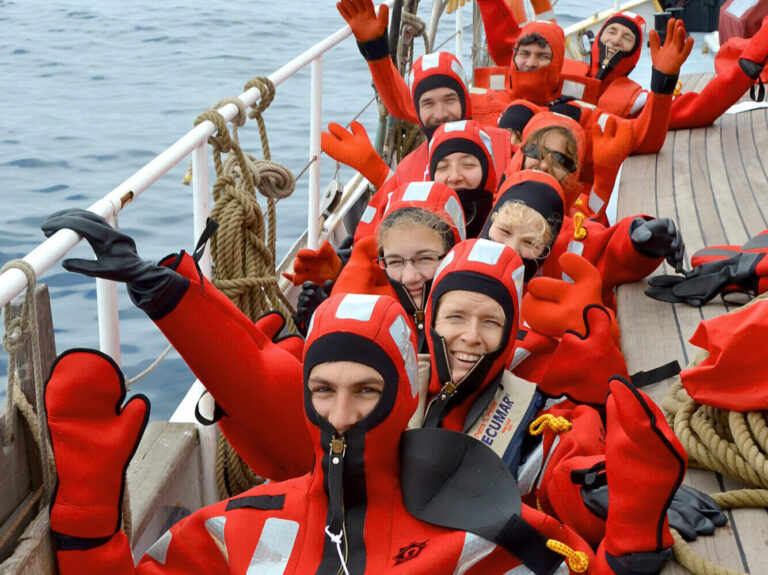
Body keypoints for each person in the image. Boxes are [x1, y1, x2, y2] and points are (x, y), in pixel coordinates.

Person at [47, 292, 595, 574]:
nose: (341, 414)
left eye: (366, 391)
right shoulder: (229, 529)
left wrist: (636, 527)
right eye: (323, 390)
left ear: (403, 396)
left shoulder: (481, 529)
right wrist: (88, 519)